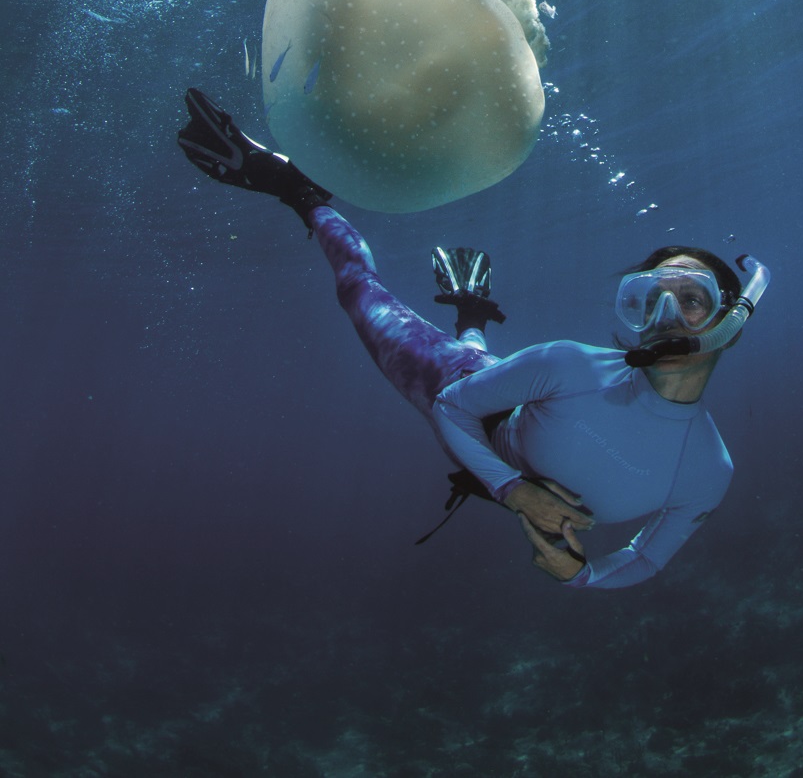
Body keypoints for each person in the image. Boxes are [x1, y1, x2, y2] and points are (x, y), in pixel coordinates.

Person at [177, 87, 770, 590]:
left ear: (730, 324)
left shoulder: (707, 473)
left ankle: (471, 309)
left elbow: (643, 558)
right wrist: (514, 492)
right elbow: (451, 408)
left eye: (692, 301)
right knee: (360, 293)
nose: (666, 315)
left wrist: (579, 575)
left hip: (514, 394)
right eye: (647, 298)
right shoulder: (570, 363)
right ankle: (301, 194)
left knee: (490, 360)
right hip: (460, 387)